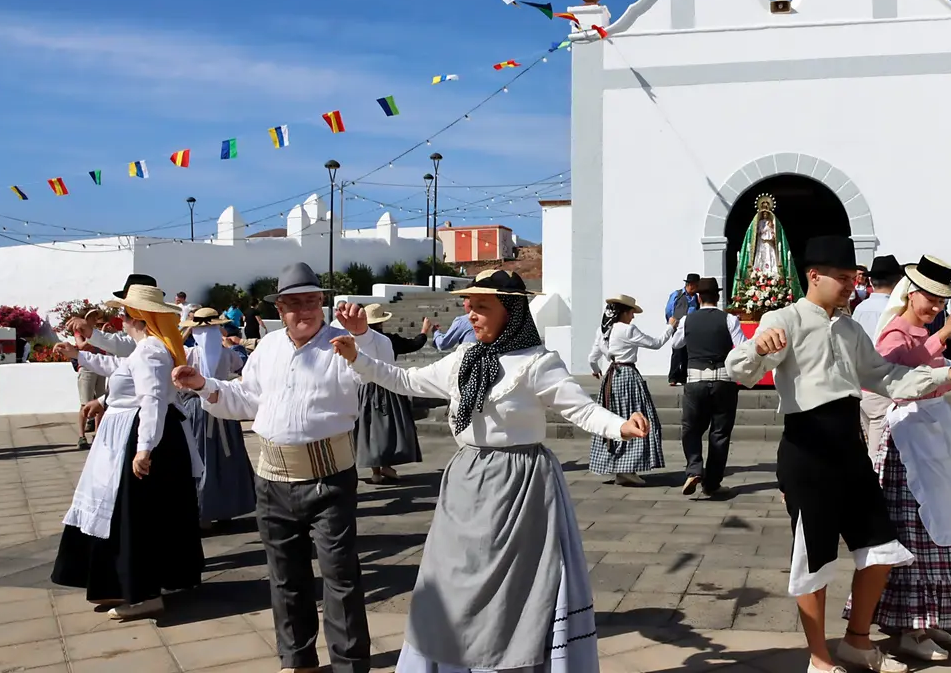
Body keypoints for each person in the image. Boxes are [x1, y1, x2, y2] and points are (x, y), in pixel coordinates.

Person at [328, 268, 650, 673]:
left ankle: (507, 663)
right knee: (450, 579)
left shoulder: (537, 362)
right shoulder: (463, 359)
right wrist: (359, 355)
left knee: (515, 588)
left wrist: (619, 426)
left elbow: (580, 408)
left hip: (520, 485)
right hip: (466, 481)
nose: (471, 313)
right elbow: (405, 379)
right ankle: (451, 660)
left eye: (481, 306)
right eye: (469, 305)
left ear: (510, 311)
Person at [726, 236, 951, 673]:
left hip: (850, 446)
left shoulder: (850, 329)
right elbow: (741, 371)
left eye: (853, 278)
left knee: (881, 546)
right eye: (843, 278)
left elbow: (885, 377)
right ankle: (819, 658)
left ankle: (857, 640)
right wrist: (757, 348)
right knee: (814, 556)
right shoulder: (784, 319)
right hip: (807, 446)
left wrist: (947, 375)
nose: (850, 285)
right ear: (814, 275)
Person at [171, 262, 382, 673]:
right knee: (285, 577)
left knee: (340, 576)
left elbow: (375, 369)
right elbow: (247, 399)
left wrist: (361, 335)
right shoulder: (267, 348)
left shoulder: (344, 344)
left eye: (310, 302)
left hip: (329, 478)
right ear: (279, 309)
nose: (302, 311)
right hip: (272, 479)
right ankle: (297, 661)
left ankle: (349, 665)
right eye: (292, 304)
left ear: (322, 303)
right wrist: (203, 386)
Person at [844, 255, 951, 663]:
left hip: (931, 434)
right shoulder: (894, 332)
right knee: (915, 530)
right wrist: (945, 362)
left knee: (938, 524)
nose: (934, 306)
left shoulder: (915, 329)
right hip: (909, 440)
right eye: (929, 299)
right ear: (910, 294)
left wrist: (949, 364)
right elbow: (894, 377)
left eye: (939, 301)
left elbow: (923, 365)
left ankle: (926, 617)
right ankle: (910, 625)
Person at [50, 285, 203, 620]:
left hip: (139, 438)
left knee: (134, 519)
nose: (119, 319)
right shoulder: (145, 348)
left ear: (137, 318)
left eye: (124, 313)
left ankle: (142, 593)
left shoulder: (150, 350)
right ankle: (123, 586)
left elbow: (151, 400)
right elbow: (121, 371)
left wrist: (144, 448)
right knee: (124, 516)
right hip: (127, 437)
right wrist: (79, 357)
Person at [178, 308, 255, 528]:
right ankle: (225, 509)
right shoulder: (227, 354)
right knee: (225, 458)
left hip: (197, 409)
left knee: (201, 458)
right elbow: (240, 365)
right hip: (223, 407)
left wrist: (186, 329)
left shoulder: (190, 354)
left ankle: (204, 512)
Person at [589, 294, 676, 486]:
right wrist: (671, 326)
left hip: (610, 379)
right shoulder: (627, 330)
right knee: (637, 418)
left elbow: (592, 358)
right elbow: (655, 343)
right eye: (631, 313)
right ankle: (628, 468)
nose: (633, 317)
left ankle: (620, 467)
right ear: (624, 312)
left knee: (613, 419)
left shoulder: (603, 330)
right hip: (627, 376)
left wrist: (597, 371)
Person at [670, 277, 745, 497]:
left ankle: (694, 468)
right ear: (718, 297)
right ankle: (712, 483)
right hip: (724, 380)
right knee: (719, 433)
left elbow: (676, 344)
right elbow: (742, 347)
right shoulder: (730, 319)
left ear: (699, 297)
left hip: (695, 380)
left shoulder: (688, 320)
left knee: (691, 428)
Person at [354, 303, 425, 484]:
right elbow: (414, 344)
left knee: (369, 427)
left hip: (365, 387)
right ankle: (385, 466)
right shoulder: (387, 340)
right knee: (387, 427)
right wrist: (425, 331)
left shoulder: (358, 340)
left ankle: (377, 470)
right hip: (387, 386)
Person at [854, 255, 905, 454]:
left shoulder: (860, 308)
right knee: (878, 449)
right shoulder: (895, 310)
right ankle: (874, 483)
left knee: (870, 440)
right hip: (883, 382)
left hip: (861, 383)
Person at [74, 310, 109, 450]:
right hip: (87, 368)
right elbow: (81, 346)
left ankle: (97, 433)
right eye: (93, 317)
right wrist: (95, 337)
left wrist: (105, 336)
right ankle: (81, 436)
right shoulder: (79, 331)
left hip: (100, 366)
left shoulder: (98, 332)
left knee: (100, 402)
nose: (96, 319)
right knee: (85, 403)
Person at [664, 274, 701, 386]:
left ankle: (684, 377)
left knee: (688, 352)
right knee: (677, 351)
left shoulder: (696, 297)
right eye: (695, 285)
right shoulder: (677, 294)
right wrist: (672, 323)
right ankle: (673, 377)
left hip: (690, 327)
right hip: (678, 326)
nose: (696, 288)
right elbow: (669, 309)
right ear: (690, 285)